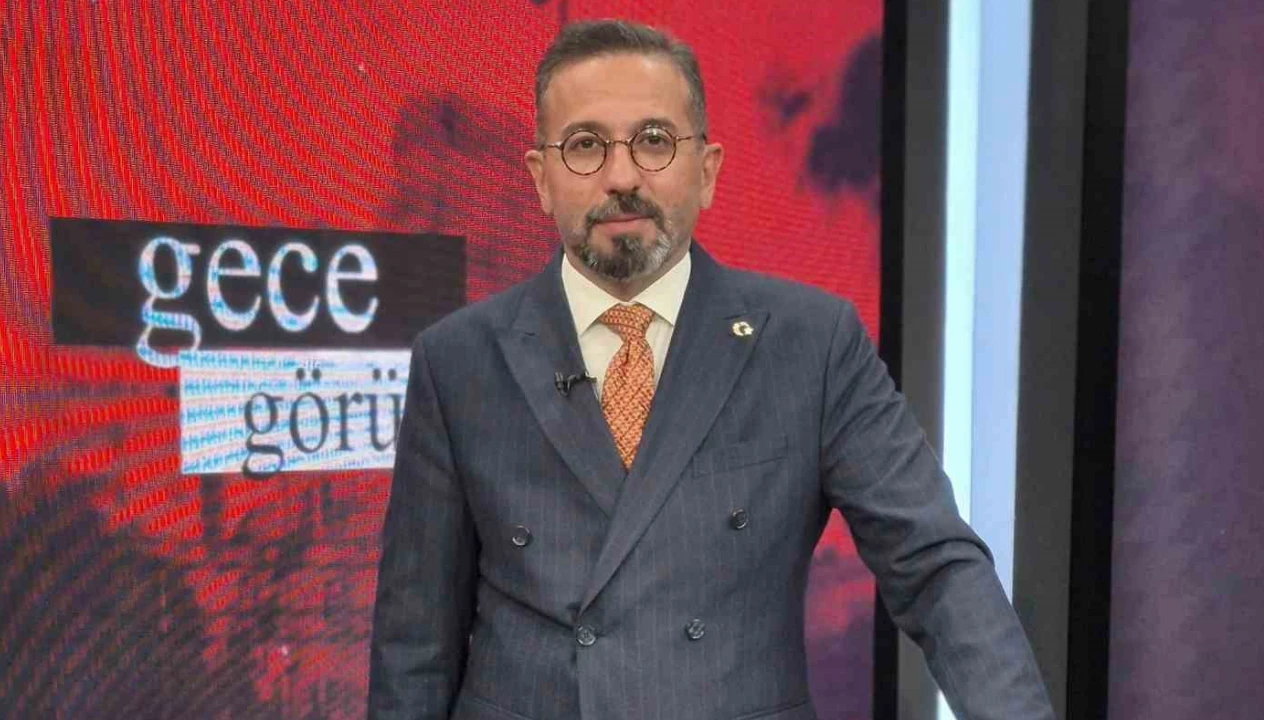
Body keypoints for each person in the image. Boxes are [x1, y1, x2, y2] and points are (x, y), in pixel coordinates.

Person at [368, 19, 1054, 720]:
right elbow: (414, 646)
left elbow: (936, 569)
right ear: (541, 180)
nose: (622, 177)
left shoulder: (813, 344)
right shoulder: (457, 361)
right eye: (585, 146)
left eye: (654, 141)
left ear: (707, 171)